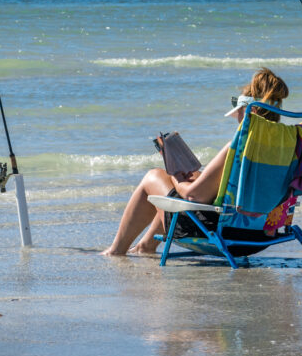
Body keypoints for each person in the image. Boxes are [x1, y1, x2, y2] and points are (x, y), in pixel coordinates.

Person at [101, 68, 289, 256]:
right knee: (183, 182)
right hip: (260, 235)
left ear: (251, 111)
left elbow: (193, 197)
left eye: (239, 111)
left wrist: (174, 173)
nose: (237, 117)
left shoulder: (240, 145)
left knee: (154, 177)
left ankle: (116, 250)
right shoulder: (285, 149)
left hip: (219, 233)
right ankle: (145, 246)